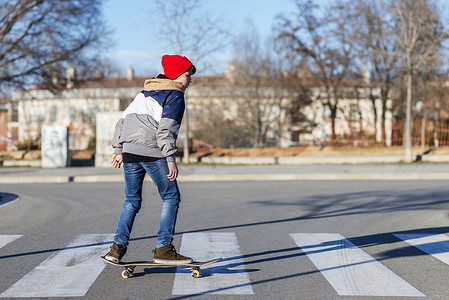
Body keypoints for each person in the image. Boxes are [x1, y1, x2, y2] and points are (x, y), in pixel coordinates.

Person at [103, 55, 196, 265]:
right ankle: (163, 249)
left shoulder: (143, 94)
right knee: (171, 197)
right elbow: (166, 131)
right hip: (153, 152)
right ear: (176, 76)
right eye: (188, 76)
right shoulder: (174, 96)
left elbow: (121, 122)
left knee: (131, 201)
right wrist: (171, 158)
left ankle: (116, 250)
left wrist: (118, 149)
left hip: (129, 153)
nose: (190, 80)